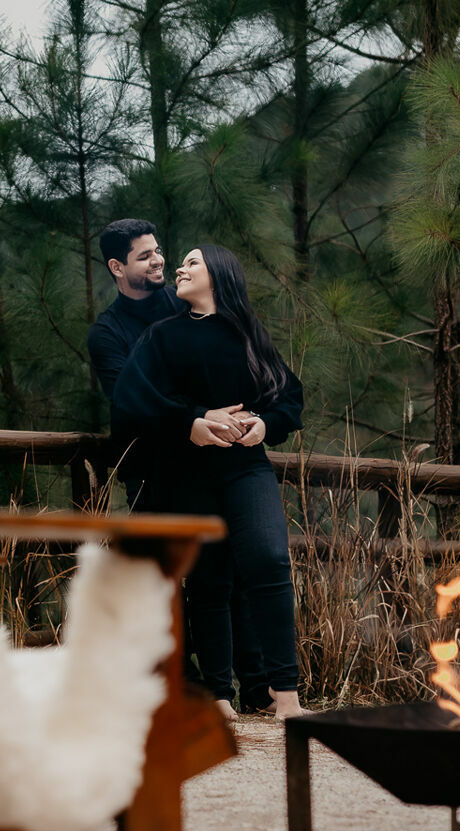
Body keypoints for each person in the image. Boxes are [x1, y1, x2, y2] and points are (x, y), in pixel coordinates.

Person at [111, 244, 304, 719]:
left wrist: (265, 424)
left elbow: (288, 396)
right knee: (208, 581)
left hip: (246, 465)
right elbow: (130, 400)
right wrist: (191, 422)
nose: (180, 267)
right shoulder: (161, 336)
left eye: (192, 262)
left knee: (269, 559)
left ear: (219, 274)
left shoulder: (249, 335)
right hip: (185, 470)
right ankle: (219, 696)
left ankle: (287, 697)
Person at [85, 220, 270, 714]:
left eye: (159, 251)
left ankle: (252, 688)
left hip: (213, 462)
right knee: (165, 581)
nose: (159, 261)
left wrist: (224, 417)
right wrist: (191, 414)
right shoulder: (108, 333)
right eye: (145, 256)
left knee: (228, 572)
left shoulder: (186, 303)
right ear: (117, 267)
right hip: (152, 468)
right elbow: (129, 399)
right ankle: (183, 688)